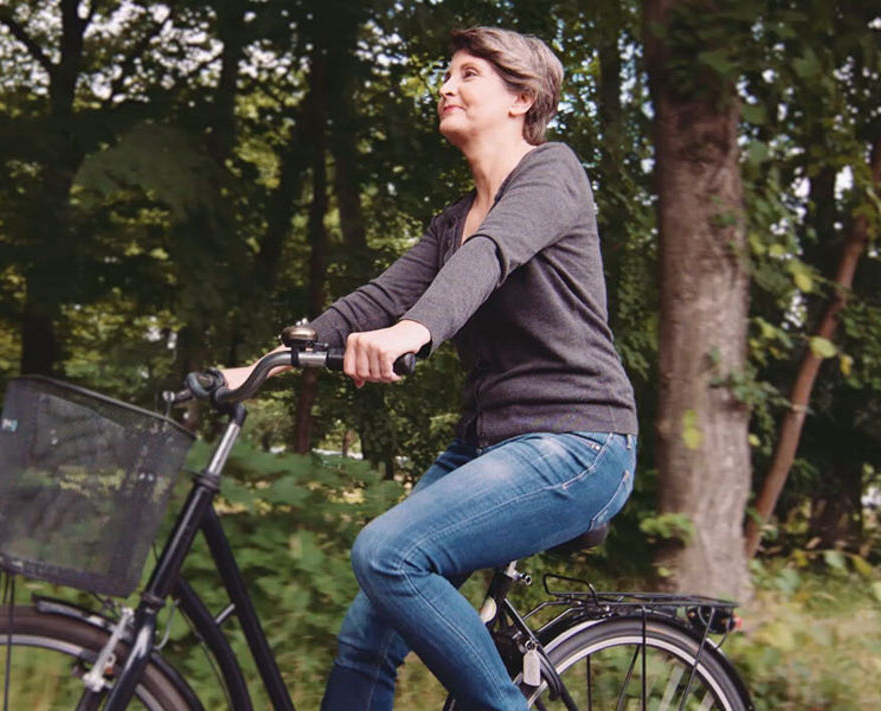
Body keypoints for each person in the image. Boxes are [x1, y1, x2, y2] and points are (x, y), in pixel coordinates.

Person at [222, 25, 638, 710]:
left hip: (578, 442)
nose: (447, 85)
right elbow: (378, 298)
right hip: (488, 446)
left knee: (388, 553)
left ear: (522, 99)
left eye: (469, 74)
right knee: (365, 639)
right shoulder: (453, 222)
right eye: (447, 73)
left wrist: (413, 331)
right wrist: (264, 364)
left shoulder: (552, 173)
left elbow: (491, 256)